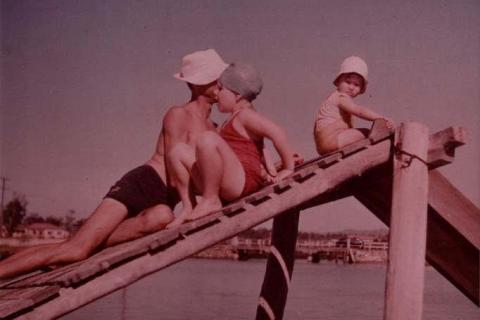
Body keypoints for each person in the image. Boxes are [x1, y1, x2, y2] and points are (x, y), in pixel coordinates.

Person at [0, 48, 228, 279]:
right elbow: (174, 160)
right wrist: (190, 205)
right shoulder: (178, 114)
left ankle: (89, 241)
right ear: (198, 84)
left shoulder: (215, 130)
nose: (222, 83)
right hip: (143, 183)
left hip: (165, 202)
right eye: (215, 77)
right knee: (76, 250)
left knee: (162, 217)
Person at [167, 63, 295, 226]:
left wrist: (288, 167)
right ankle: (189, 206)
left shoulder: (245, 115)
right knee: (177, 151)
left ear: (237, 96)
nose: (216, 93)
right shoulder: (231, 119)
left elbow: (277, 132)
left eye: (220, 89)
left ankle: (211, 199)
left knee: (208, 139)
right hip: (231, 181)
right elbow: (260, 147)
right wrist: (270, 169)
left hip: (243, 181)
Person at [313, 56, 394, 155]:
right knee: (366, 133)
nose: (351, 87)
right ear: (338, 82)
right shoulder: (341, 97)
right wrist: (381, 118)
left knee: (355, 134)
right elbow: (359, 111)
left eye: (356, 85)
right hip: (333, 139)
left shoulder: (334, 98)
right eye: (348, 82)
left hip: (323, 145)